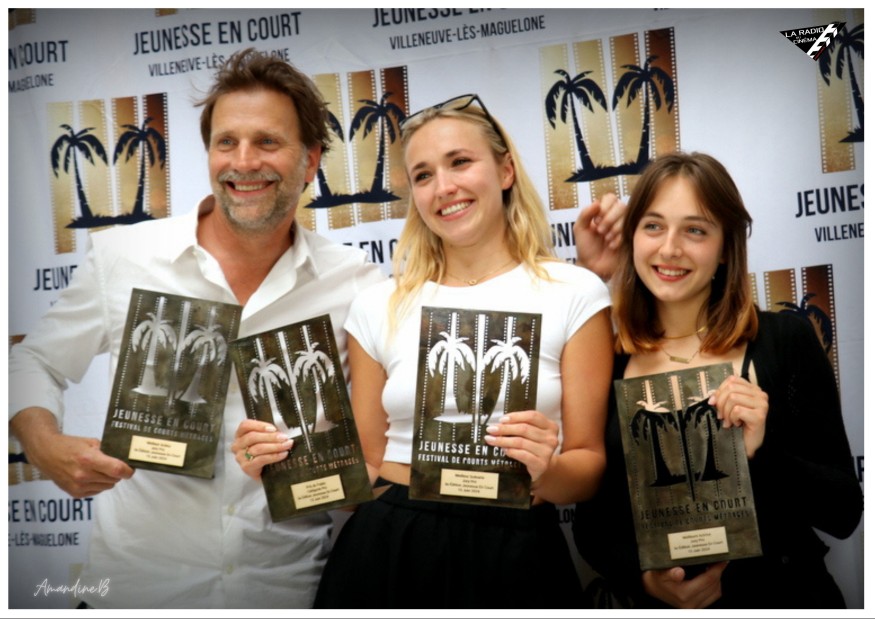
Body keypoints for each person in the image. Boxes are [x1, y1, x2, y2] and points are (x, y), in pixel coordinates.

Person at [8, 48, 385, 608]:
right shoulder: (125, 257)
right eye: (226, 142)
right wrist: (45, 446)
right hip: (131, 592)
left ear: (310, 161)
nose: (244, 161)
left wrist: (303, 472)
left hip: (282, 591)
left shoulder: (356, 284)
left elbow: (370, 461)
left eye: (268, 141)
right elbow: (32, 360)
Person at [235, 93, 614, 608]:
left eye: (460, 162)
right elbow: (368, 471)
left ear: (505, 170)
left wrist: (546, 469)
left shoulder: (575, 291)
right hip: (389, 546)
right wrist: (283, 468)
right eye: (423, 175)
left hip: (517, 550)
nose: (445, 187)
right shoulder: (380, 304)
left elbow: (588, 466)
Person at [571, 152, 863, 609]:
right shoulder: (606, 361)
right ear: (632, 238)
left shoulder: (784, 341)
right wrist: (646, 581)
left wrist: (760, 451)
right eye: (653, 226)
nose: (670, 248)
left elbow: (843, 513)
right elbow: (591, 526)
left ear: (726, 246)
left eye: (695, 230)